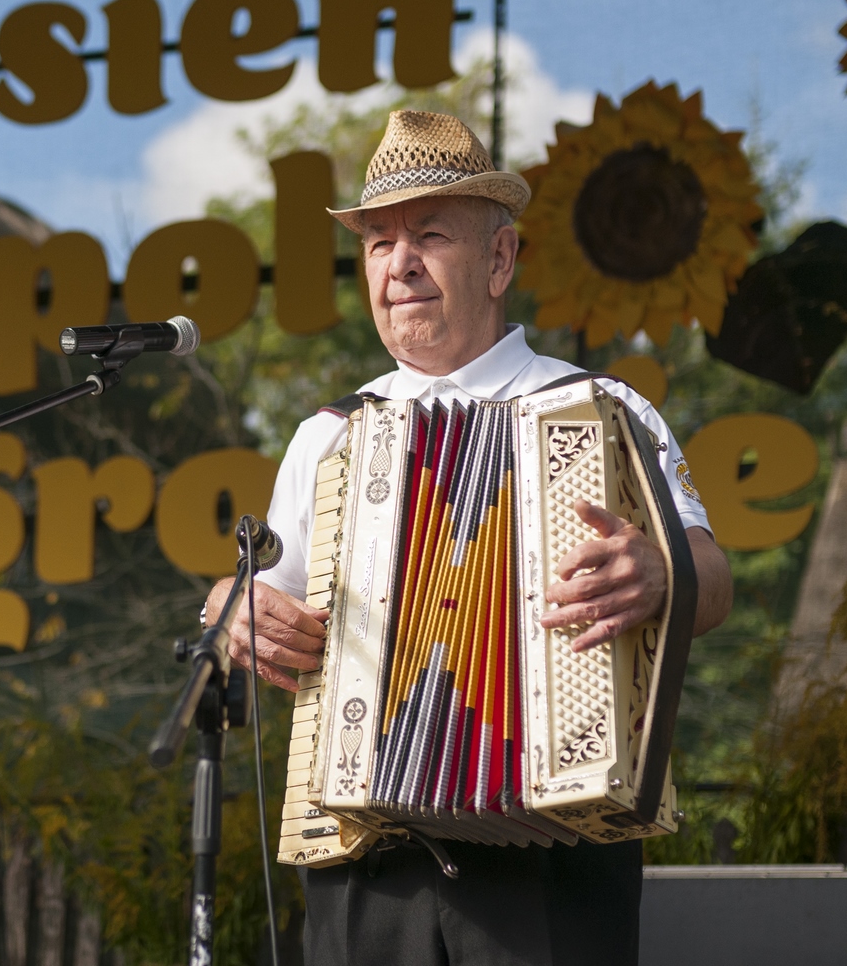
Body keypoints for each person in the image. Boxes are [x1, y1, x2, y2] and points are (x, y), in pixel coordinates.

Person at [203, 111, 733, 966]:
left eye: (430, 234)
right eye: (379, 242)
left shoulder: (602, 409)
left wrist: (664, 569)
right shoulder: (330, 435)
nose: (399, 263)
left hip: (553, 854)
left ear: (499, 259)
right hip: (365, 857)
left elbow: (714, 577)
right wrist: (234, 612)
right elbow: (265, 597)